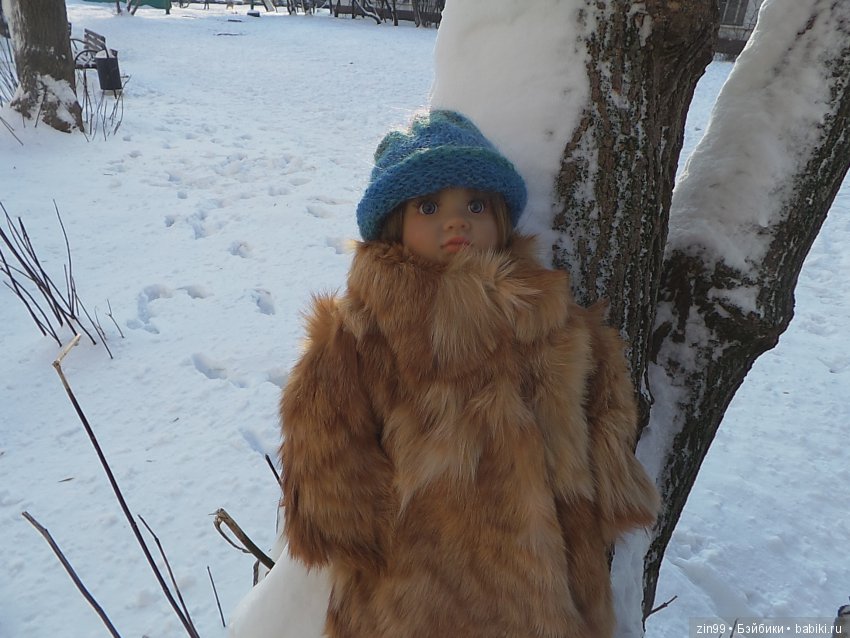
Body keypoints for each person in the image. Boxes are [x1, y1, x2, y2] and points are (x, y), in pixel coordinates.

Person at [279, 109, 659, 638]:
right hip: (420, 585)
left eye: (475, 205)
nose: (455, 222)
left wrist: (608, 490)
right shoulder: (364, 332)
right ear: (393, 223)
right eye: (429, 206)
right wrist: (366, 531)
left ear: (500, 218)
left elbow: (604, 406)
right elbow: (322, 437)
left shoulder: (550, 317)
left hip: (556, 581)